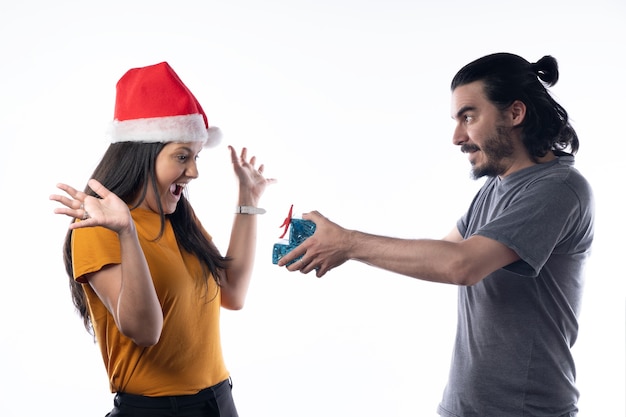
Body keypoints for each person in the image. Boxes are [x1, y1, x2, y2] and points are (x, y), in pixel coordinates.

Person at [278, 53, 594, 417]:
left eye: (469, 117)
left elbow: (463, 265)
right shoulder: (498, 187)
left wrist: (348, 243)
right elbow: (446, 251)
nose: (458, 136)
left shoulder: (558, 189)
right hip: (464, 407)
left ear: (514, 113)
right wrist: (339, 245)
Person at [50, 62, 275, 417]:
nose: (195, 171)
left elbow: (232, 293)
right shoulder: (97, 227)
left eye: (196, 157)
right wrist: (127, 232)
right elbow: (144, 330)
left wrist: (248, 200)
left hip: (219, 401)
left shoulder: (178, 217)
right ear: (142, 154)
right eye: (182, 156)